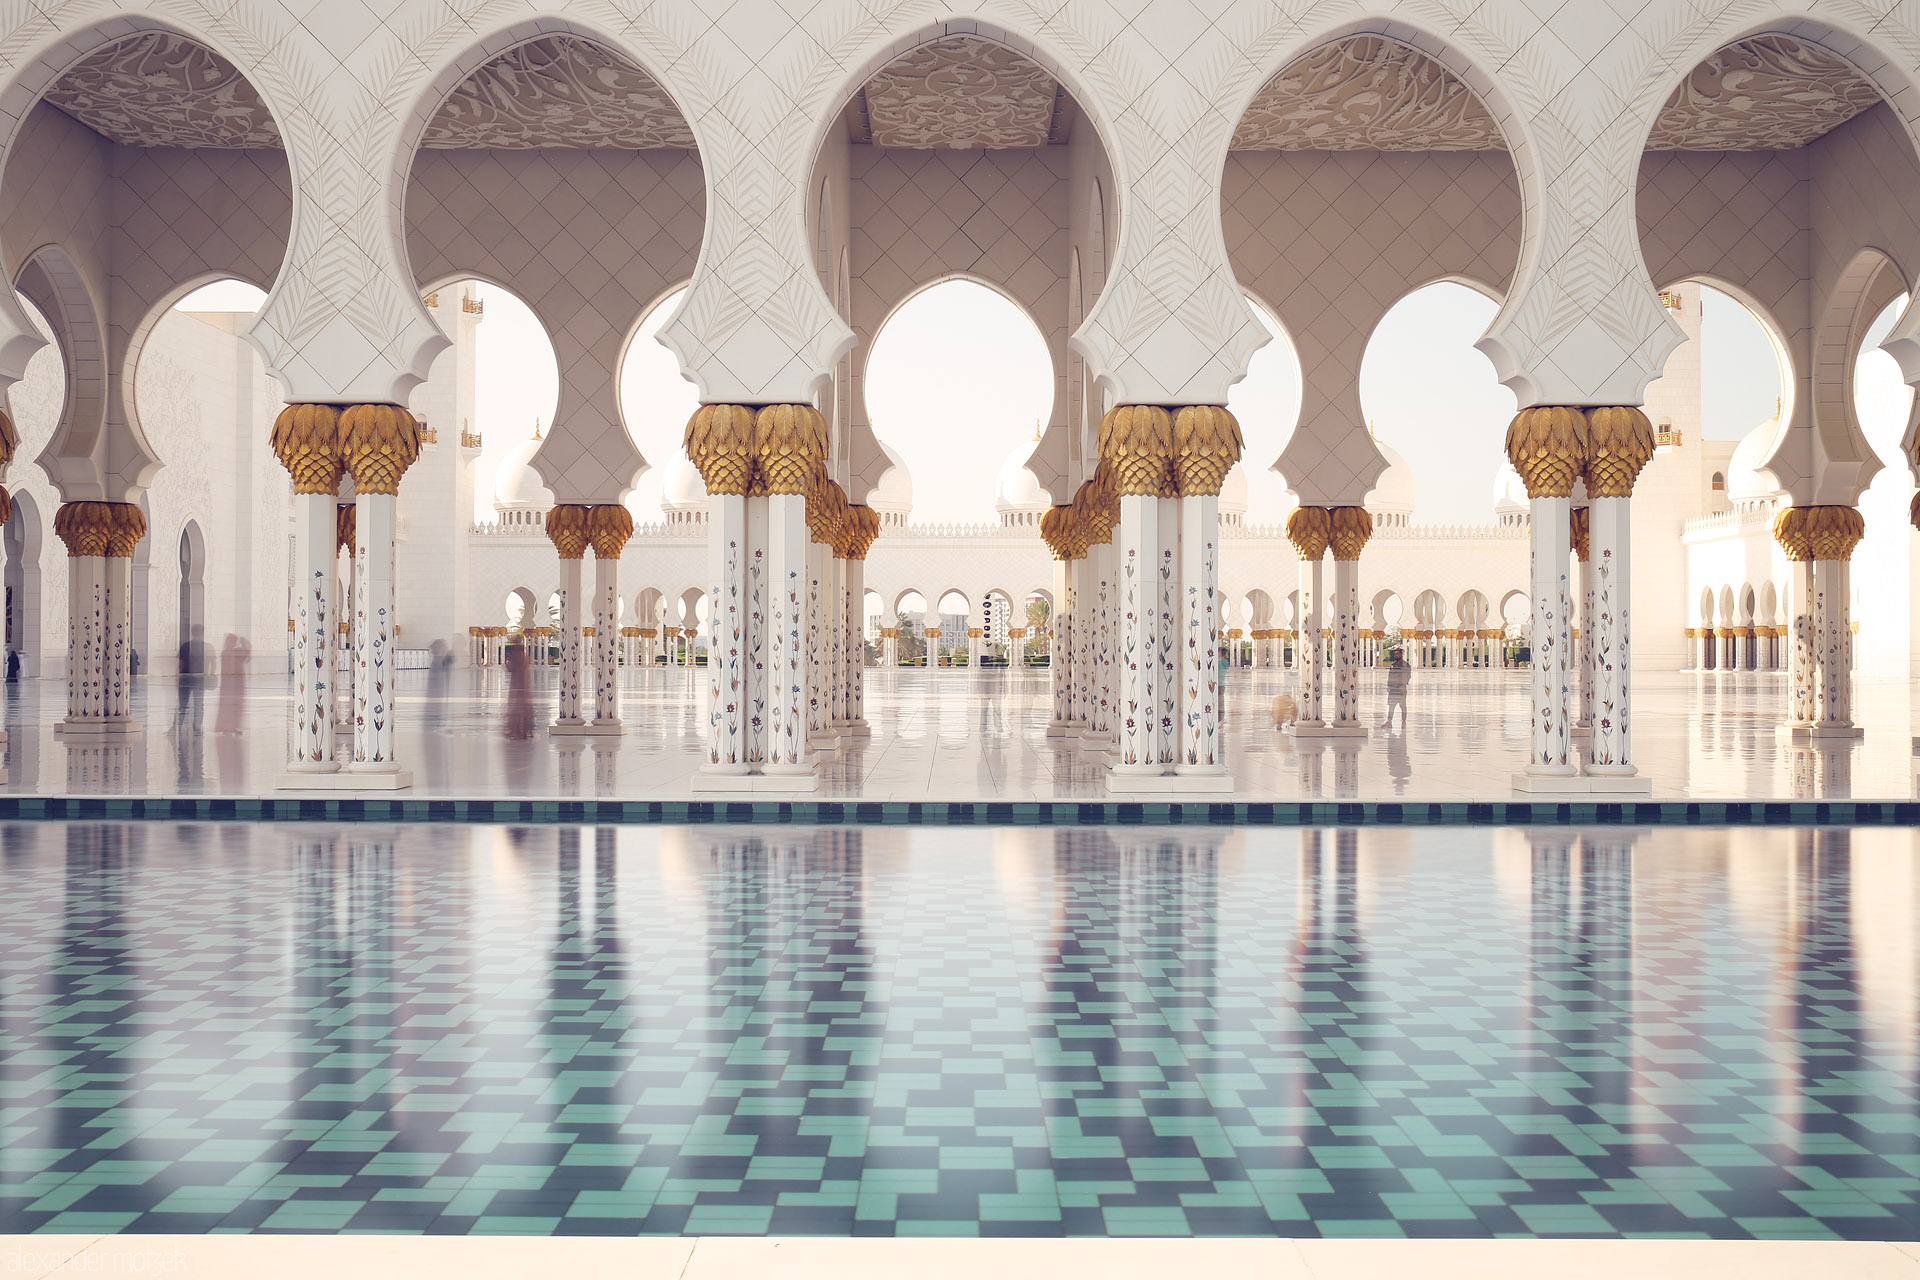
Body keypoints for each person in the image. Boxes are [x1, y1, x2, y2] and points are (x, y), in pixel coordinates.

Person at [214, 634, 249, 734]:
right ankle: (228, 727)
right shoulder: (234, 652)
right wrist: (244, 643)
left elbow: (246, 655)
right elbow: (246, 653)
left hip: (231, 683)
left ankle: (230, 727)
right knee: (231, 706)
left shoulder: (226, 652)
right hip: (233, 683)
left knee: (231, 706)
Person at [1380, 651, 1411, 731]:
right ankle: (1389, 722)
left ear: (1401, 654)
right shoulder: (1393, 665)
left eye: (1398, 654)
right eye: (1395, 654)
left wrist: (1404, 685)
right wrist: (1389, 685)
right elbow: (1390, 676)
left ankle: (1403, 722)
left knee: (1402, 706)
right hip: (1393, 688)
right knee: (1391, 705)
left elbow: (1407, 676)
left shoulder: (1405, 665)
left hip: (1400, 688)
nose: (1396, 655)